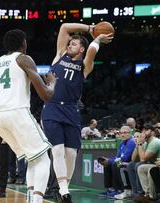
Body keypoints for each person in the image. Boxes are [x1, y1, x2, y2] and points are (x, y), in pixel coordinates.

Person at [0, 29, 57, 203]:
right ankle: (37, 200)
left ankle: (31, 198)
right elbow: (46, 96)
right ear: (23, 43)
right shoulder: (24, 59)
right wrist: (52, 84)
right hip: (16, 113)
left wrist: (2, 94)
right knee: (43, 158)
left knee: (32, 158)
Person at [41, 23, 113, 202]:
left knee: (71, 153)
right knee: (57, 150)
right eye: (69, 43)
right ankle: (64, 191)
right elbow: (65, 27)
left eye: (73, 44)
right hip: (52, 107)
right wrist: (91, 28)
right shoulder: (59, 55)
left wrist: (96, 39)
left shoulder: (85, 66)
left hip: (71, 110)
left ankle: (62, 189)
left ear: (81, 48)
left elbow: (91, 53)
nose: (69, 45)